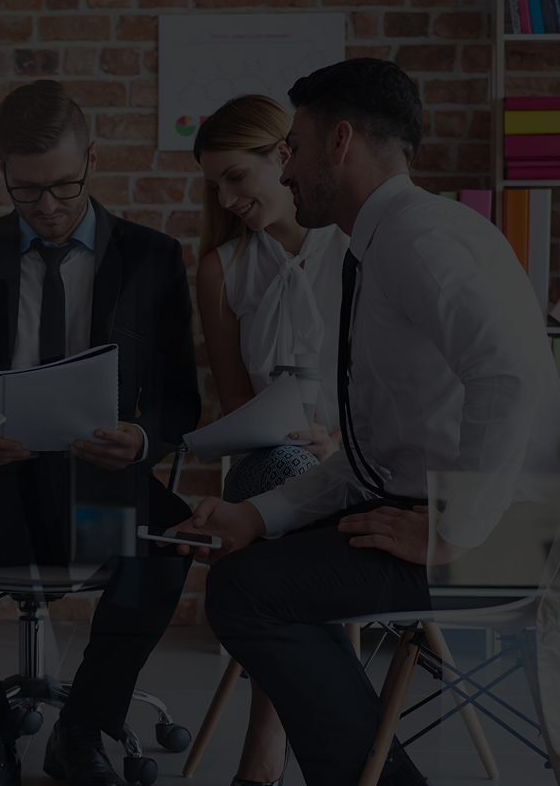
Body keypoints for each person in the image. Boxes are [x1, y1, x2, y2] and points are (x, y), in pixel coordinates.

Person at [167, 59, 560, 785]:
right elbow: (368, 456)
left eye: (292, 146)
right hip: (456, 514)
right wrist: (256, 516)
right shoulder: (380, 244)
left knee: (246, 594)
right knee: (249, 571)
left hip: (510, 539)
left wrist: (454, 529)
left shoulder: (420, 241)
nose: (283, 170)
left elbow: (506, 375)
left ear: (340, 142)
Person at [0, 80, 200, 786]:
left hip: (93, 497)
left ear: (93, 158)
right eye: (26, 191)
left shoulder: (151, 258)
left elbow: (179, 400)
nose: (47, 207)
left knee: (166, 536)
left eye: (64, 185)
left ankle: (80, 732)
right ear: (1, 168)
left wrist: (142, 439)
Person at [190, 94, 351, 786]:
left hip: (359, 462)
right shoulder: (223, 269)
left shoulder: (359, 247)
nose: (227, 199)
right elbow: (239, 410)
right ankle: (320, 742)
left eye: (235, 177)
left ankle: (267, 734)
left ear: (282, 157)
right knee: (282, 468)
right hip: (269, 468)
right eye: (215, 185)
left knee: (297, 512)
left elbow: (404, 388)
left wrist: (340, 447)